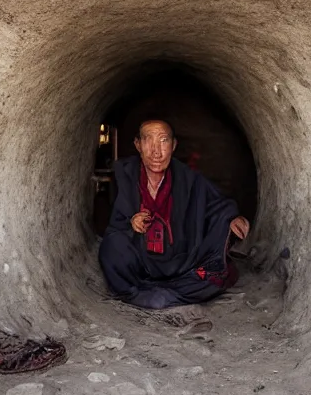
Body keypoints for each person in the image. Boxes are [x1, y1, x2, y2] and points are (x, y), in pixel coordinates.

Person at [99, 119, 251, 309]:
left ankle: (155, 295)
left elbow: (216, 204)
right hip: (140, 257)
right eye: (148, 140)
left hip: (182, 259)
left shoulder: (189, 178)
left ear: (174, 145)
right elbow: (112, 222)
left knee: (214, 270)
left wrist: (232, 218)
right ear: (138, 145)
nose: (156, 151)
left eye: (163, 140)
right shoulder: (125, 175)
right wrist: (131, 221)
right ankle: (143, 292)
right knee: (112, 248)